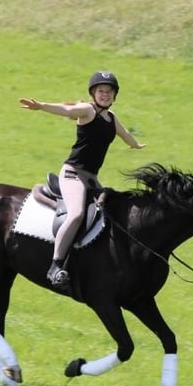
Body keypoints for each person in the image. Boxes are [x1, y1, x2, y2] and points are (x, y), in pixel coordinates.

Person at [19, 71, 146, 287]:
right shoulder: (87, 111)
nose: (105, 95)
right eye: (101, 91)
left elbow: (124, 134)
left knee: (108, 214)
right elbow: (66, 109)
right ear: (93, 94)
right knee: (77, 214)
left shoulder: (111, 118)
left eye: (109, 92)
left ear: (114, 95)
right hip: (73, 174)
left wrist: (135, 145)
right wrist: (41, 105)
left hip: (91, 178)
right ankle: (56, 265)